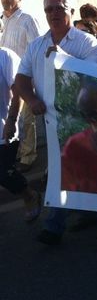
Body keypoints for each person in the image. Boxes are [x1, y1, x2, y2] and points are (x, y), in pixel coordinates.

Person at [15, 0, 97, 245]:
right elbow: (21, 80)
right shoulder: (37, 45)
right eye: (49, 9)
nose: (54, 13)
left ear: (71, 12)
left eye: (60, 8)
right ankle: (87, 213)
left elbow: (94, 76)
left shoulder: (87, 43)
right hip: (51, 117)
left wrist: (62, 56)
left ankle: (54, 224)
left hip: (81, 115)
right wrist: (31, 101)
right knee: (68, 166)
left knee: (65, 167)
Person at [0, 0, 43, 173]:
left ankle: (27, 156)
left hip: (24, 77)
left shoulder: (27, 20)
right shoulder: (3, 21)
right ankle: (15, 151)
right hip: (6, 75)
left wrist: (32, 76)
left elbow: (37, 48)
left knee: (27, 118)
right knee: (11, 116)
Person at [0, 46, 41, 222]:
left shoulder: (5, 56)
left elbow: (17, 89)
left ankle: (29, 194)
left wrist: (11, 120)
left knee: (3, 171)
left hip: (3, 126)